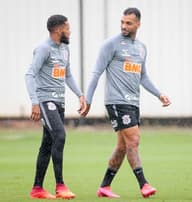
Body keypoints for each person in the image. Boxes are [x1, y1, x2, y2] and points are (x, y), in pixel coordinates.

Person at [81, 7, 171, 198]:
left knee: (122, 146)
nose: (124, 26)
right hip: (116, 101)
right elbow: (96, 73)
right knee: (134, 140)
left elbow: (143, 76)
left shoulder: (141, 48)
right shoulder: (111, 44)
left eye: (128, 23)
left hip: (133, 102)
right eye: (122, 22)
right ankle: (144, 184)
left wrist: (158, 94)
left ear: (138, 24)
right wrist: (87, 99)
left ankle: (104, 186)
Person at [25, 14, 86, 199]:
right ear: (59, 29)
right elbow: (29, 75)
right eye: (68, 28)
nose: (70, 31)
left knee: (47, 144)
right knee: (60, 135)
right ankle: (60, 185)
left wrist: (80, 94)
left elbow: (67, 75)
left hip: (59, 103)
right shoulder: (43, 49)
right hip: (45, 101)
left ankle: (37, 189)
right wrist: (35, 102)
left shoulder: (65, 48)